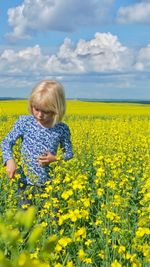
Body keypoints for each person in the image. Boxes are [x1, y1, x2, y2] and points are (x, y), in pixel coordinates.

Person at [1, 80, 73, 206]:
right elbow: (7, 142)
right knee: (25, 221)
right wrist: (9, 160)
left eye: (45, 111)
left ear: (57, 109)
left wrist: (55, 158)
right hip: (25, 183)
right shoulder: (25, 122)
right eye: (36, 109)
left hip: (50, 185)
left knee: (50, 222)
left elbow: (69, 153)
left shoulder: (62, 129)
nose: (39, 115)